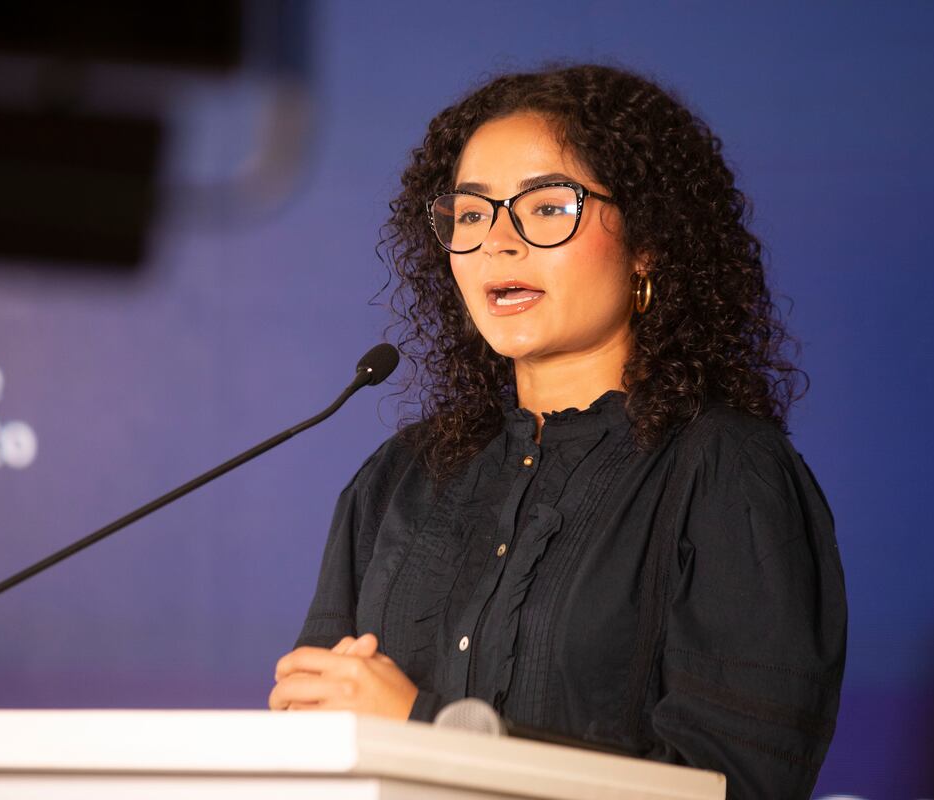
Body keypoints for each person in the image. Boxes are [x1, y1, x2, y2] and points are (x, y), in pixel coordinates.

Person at [269, 64, 847, 799]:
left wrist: (424, 727)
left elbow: (736, 782)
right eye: (471, 214)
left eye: (546, 208)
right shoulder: (399, 481)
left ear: (647, 242)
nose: (498, 242)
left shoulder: (727, 476)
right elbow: (314, 732)